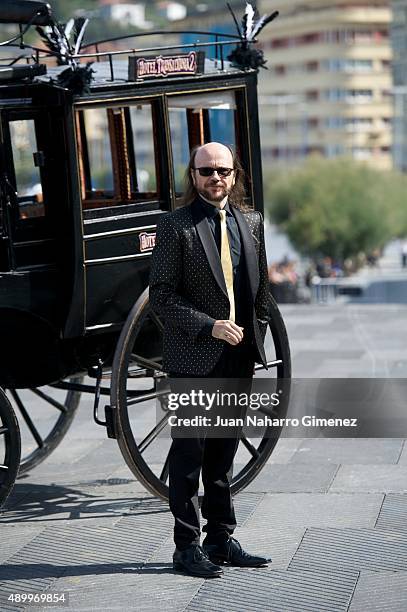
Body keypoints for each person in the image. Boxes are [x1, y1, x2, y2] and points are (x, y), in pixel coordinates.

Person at [149, 142, 271, 578]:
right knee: (189, 458)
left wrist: (254, 334)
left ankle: (220, 538)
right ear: (193, 176)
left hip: (239, 357)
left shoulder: (252, 222)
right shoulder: (175, 226)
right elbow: (161, 296)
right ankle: (186, 548)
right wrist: (210, 325)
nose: (214, 178)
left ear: (234, 175)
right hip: (193, 357)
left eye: (222, 171)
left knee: (223, 454)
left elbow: (262, 292)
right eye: (206, 171)